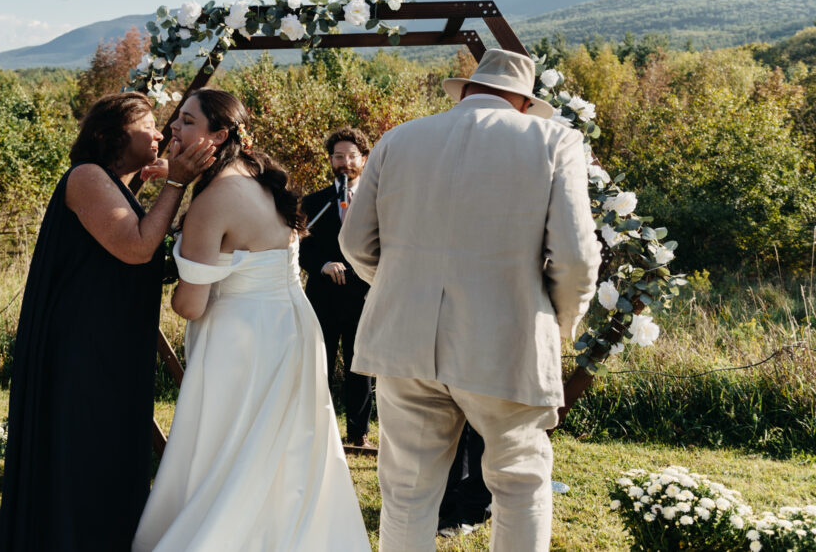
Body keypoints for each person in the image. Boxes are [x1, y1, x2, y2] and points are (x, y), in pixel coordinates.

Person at [339, 48, 601, 552]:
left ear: (466, 92)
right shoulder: (554, 139)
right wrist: (557, 319)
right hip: (507, 340)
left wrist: (402, 286)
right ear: (523, 103)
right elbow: (575, 257)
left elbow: (355, 243)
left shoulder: (398, 139)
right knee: (520, 484)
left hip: (402, 343)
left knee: (407, 492)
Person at [132, 89, 370, 552]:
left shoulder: (212, 202)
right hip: (292, 326)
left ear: (218, 136)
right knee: (285, 447)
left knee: (233, 445)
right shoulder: (261, 182)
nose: (173, 129)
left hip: (241, 339)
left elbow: (191, 306)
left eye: (186, 121)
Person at [0, 92, 215, 552]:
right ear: (110, 135)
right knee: (86, 444)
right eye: (148, 126)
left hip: (112, 342)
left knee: (111, 445)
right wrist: (175, 184)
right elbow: (136, 248)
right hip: (83, 345)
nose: (160, 134)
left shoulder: (116, 184)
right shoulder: (86, 177)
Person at [299, 127, 374, 447]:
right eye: (339, 156)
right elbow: (299, 247)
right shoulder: (315, 202)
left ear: (365, 159)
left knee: (361, 367)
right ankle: (321, 433)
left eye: (352, 156)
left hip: (363, 296)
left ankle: (359, 435)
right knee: (320, 365)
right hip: (323, 297)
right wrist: (322, 265)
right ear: (330, 160)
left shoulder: (378, 201)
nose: (345, 162)